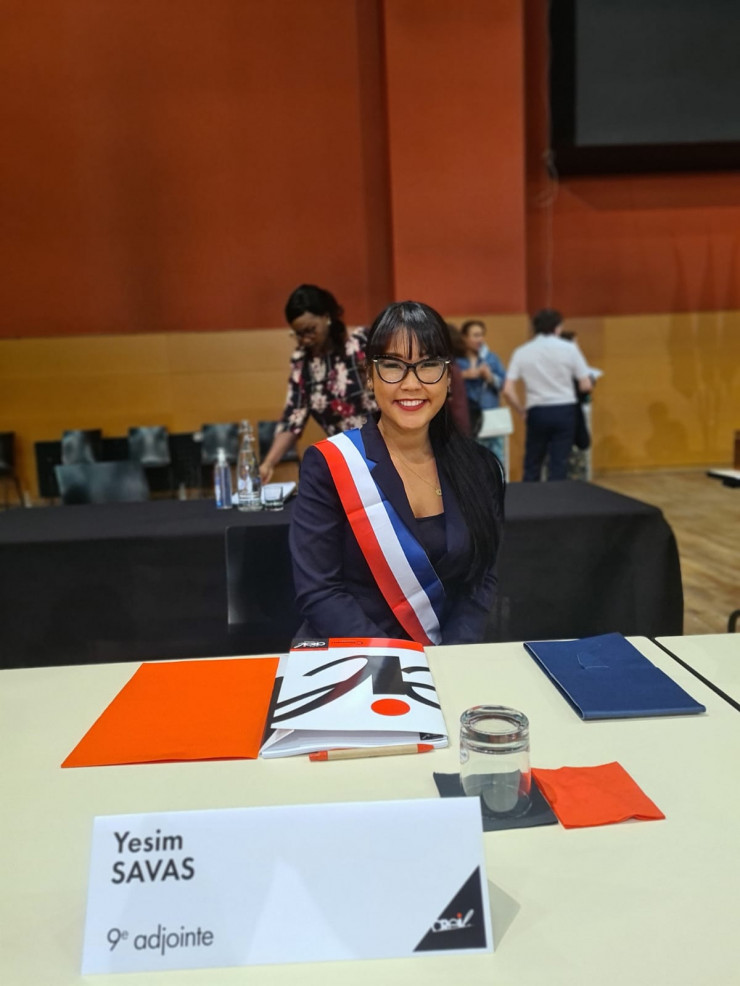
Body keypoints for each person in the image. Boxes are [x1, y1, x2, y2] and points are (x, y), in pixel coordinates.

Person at [290, 300, 505, 646]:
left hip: (446, 660)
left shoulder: (479, 468)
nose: (411, 383)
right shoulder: (330, 464)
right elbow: (320, 592)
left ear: (448, 376)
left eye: (428, 365)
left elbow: (481, 580)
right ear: (369, 376)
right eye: (393, 366)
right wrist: (402, 662)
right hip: (353, 658)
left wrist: (451, 657)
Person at [259, 284, 376, 484]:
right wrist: (268, 463)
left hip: (388, 450)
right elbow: (293, 417)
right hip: (350, 461)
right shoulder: (303, 362)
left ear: (327, 317)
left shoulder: (360, 343)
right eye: (298, 334)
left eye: (310, 330)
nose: (305, 339)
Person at [502, 308, 592, 481]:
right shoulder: (569, 349)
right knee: (559, 463)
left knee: (532, 462)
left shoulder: (522, 351)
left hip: (537, 410)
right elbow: (585, 384)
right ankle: (557, 497)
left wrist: (521, 410)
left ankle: (529, 497)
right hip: (565, 409)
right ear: (557, 327)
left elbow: (507, 389)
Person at [456, 319, 507, 460]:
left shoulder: (491, 359)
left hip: (490, 416)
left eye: (482, 335)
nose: (480, 339)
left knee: (496, 459)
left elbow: (504, 384)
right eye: (475, 335)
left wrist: (490, 377)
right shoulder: (457, 361)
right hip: (466, 420)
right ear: (464, 337)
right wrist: (462, 376)